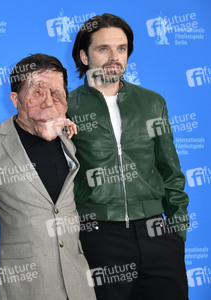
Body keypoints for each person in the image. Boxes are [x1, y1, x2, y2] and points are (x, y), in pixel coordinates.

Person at [68, 13, 189, 299]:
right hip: (99, 235)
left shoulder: (152, 102)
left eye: (121, 49)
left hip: (158, 233)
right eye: (103, 49)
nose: (114, 57)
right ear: (84, 56)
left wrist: (177, 231)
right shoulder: (66, 106)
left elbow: (170, 169)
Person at [0, 53, 96, 300]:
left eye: (56, 94)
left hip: (78, 284)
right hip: (25, 287)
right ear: (15, 99)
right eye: (37, 93)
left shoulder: (68, 141)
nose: (49, 103)